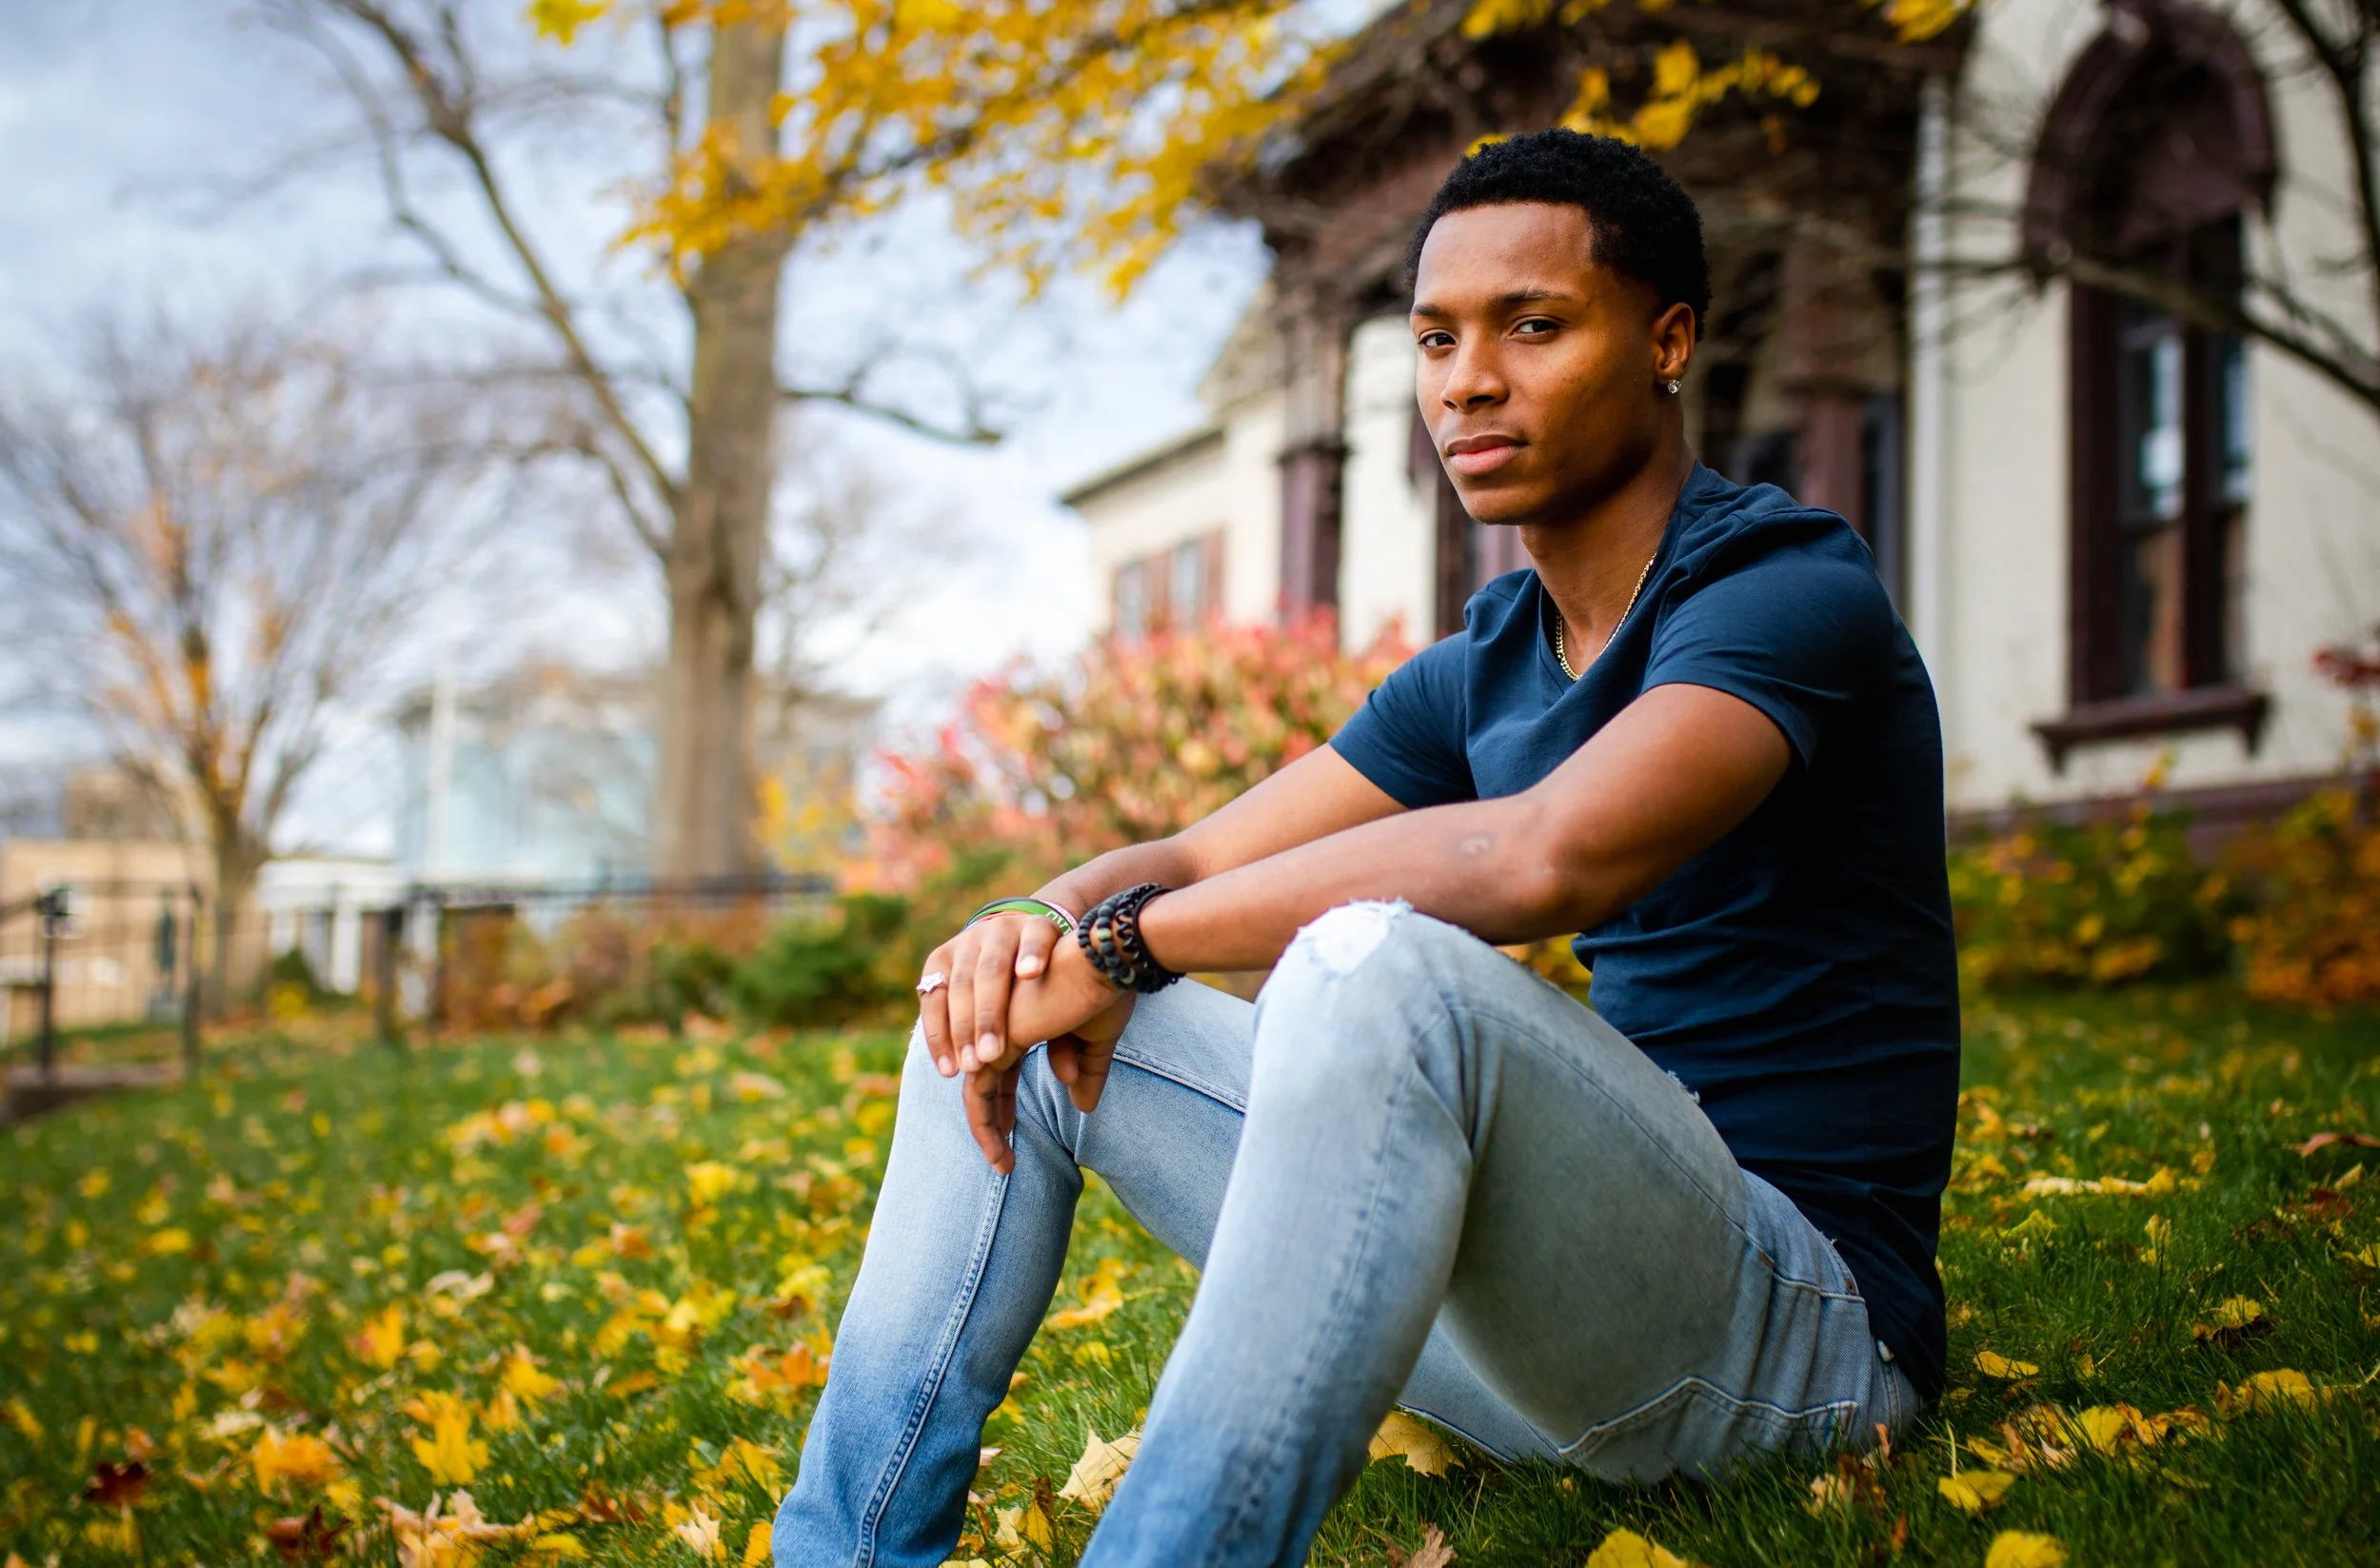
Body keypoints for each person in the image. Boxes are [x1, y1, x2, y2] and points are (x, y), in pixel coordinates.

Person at [772, 129, 1958, 1568]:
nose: (1468, 381)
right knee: (996, 1001)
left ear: (1667, 342)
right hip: (1563, 1340)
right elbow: (1193, 855)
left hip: (1805, 1348)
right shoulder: (1492, 661)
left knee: (1375, 966)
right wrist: (1029, 920)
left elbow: (1544, 857)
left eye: (1534, 326)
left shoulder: (1783, 591)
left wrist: (1126, 944)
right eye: (1437, 338)